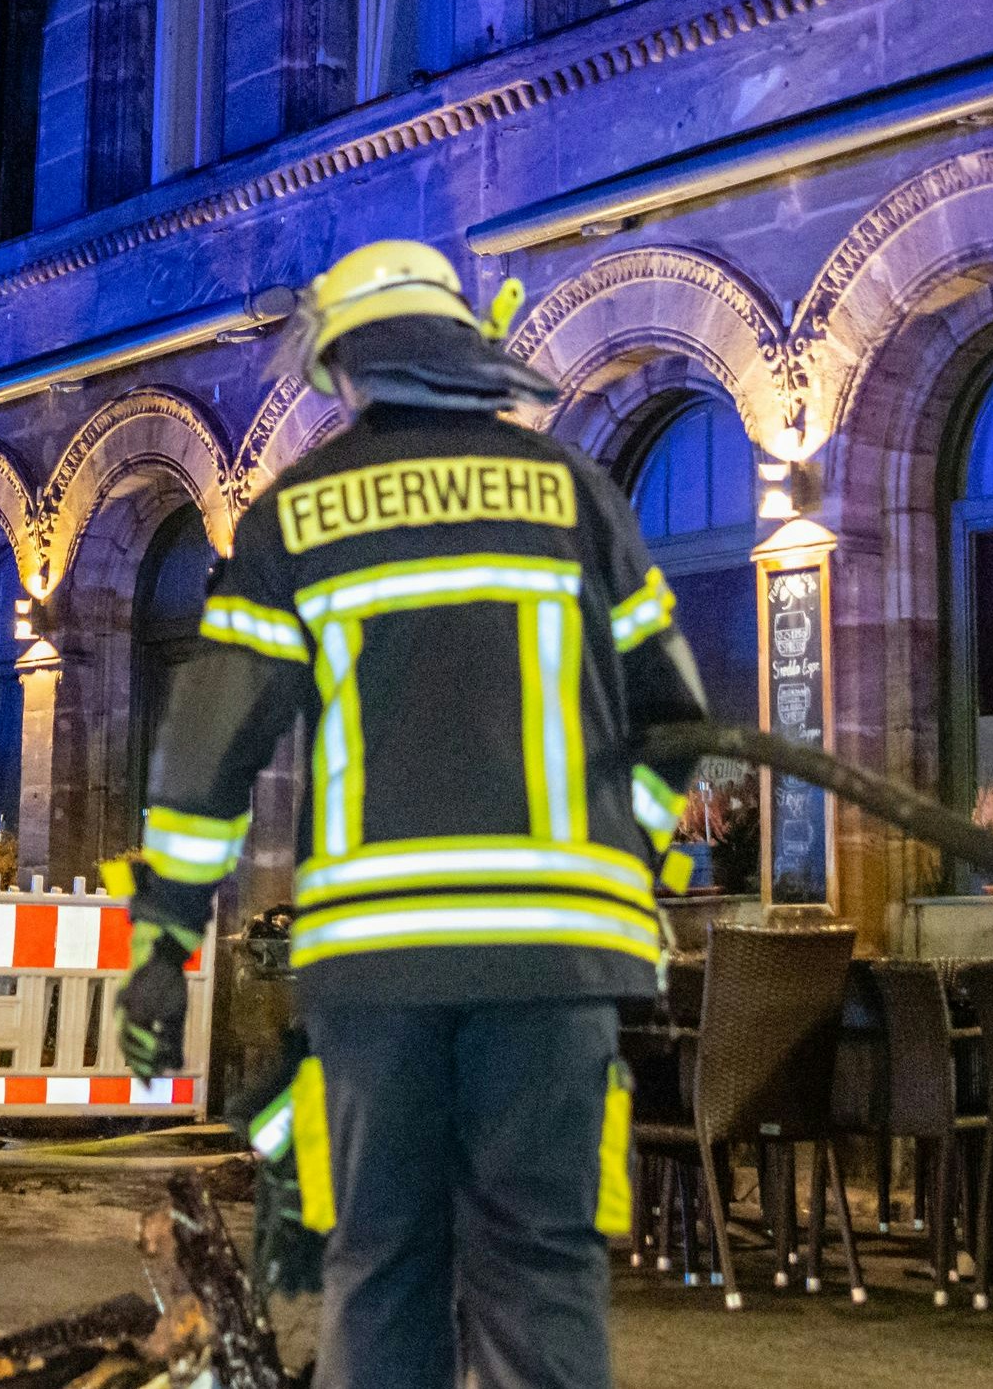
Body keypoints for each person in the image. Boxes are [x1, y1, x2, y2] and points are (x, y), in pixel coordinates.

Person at [121, 238, 711, 1389]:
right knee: (540, 1269)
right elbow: (677, 725)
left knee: (383, 1264)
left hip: (380, 977)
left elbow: (209, 754)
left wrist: (166, 939)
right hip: (559, 973)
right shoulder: (574, 494)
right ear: (463, 355)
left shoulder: (301, 513)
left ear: (346, 370)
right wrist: (617, 862)